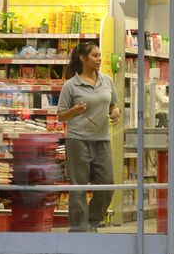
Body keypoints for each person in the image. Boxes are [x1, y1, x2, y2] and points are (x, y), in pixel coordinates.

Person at [57, 41, 120, 232]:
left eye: (100, 55)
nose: (99, 59)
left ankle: (93, 221)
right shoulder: (71, 85)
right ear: (83, 58)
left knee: (107, 185)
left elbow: (113, 105)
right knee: (78, 188)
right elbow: (60, 116)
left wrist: (116, 112)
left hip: (102, 140)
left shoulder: (107, 81)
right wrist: (74, 111)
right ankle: (78, 229)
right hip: (78, 140)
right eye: (95, 55)